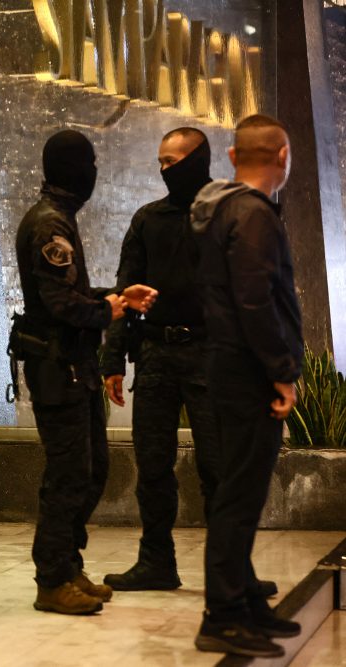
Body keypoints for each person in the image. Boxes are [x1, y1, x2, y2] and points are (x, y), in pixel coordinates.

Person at [12, 130, 156, 615]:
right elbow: (56, 303)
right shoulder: (49, 224)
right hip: (58, 368)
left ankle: (69, 566)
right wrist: (109, 310)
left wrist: (109, 299)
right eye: (89, 162)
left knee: (92, 471)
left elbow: (69, 293)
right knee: (69, 475)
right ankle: (52, 580)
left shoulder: (58, 217)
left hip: (75, 366)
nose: (95, 170)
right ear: (73, 167)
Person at [191, 114, 303, 658]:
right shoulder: (252, 215)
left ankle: (244, 603)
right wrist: (281, 371)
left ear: (234, 157)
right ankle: (224, 612)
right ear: (282, 156)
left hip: (229, 367)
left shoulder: (222, 211)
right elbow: (256, 303)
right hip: (248, 373)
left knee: (241, 493)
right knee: (239, 496)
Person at [100, 128, 221, 591]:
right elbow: (125, 291)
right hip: (155, 354)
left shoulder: (226, 215)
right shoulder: (148, 219)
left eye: (174, 162)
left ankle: (228, 568)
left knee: (218, 465)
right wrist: (114, 361)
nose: (166, 171)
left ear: (198, 159)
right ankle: (156, 561)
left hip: (210, 354)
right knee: (152, 464)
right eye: (161, 163)